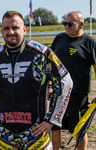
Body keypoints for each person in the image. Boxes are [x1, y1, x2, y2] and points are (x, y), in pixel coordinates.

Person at [0, 10, 73, 150]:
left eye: (15, 27)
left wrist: (51, 119)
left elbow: (65, 81)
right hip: (5, 137)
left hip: (37, 137)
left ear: (24, 29)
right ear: (1, 31)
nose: (11, 32)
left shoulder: (42, 54)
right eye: (6, 28)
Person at [51, 11, 96, 150]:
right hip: (58, 93)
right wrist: (49, 86)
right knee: (55, 126)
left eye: (70, 24)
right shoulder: (59, 38)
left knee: (80, 128)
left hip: (78, 94)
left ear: (81, 24)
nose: (66, 26)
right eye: (65, 23)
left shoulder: (90, 42)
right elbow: (50, 63)